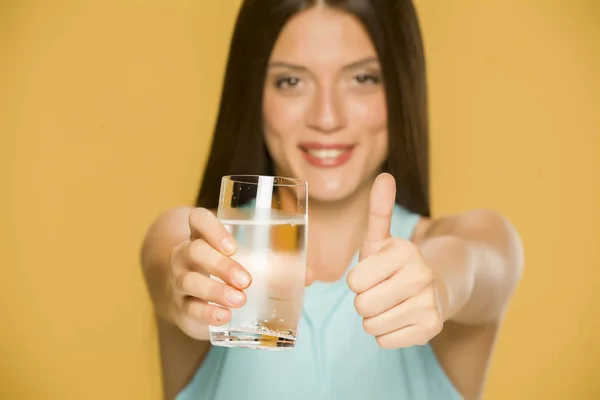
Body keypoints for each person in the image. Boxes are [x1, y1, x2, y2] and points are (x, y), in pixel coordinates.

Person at [140, 0, 524, 399]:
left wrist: (440, 286)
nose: (327, 117)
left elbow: (475, 263)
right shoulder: (197, 245)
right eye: (291, 82)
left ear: (401, 86)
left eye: (362, 78)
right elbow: (168, 260)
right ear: (253, 94)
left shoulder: (473, 241)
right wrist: (186, 287)